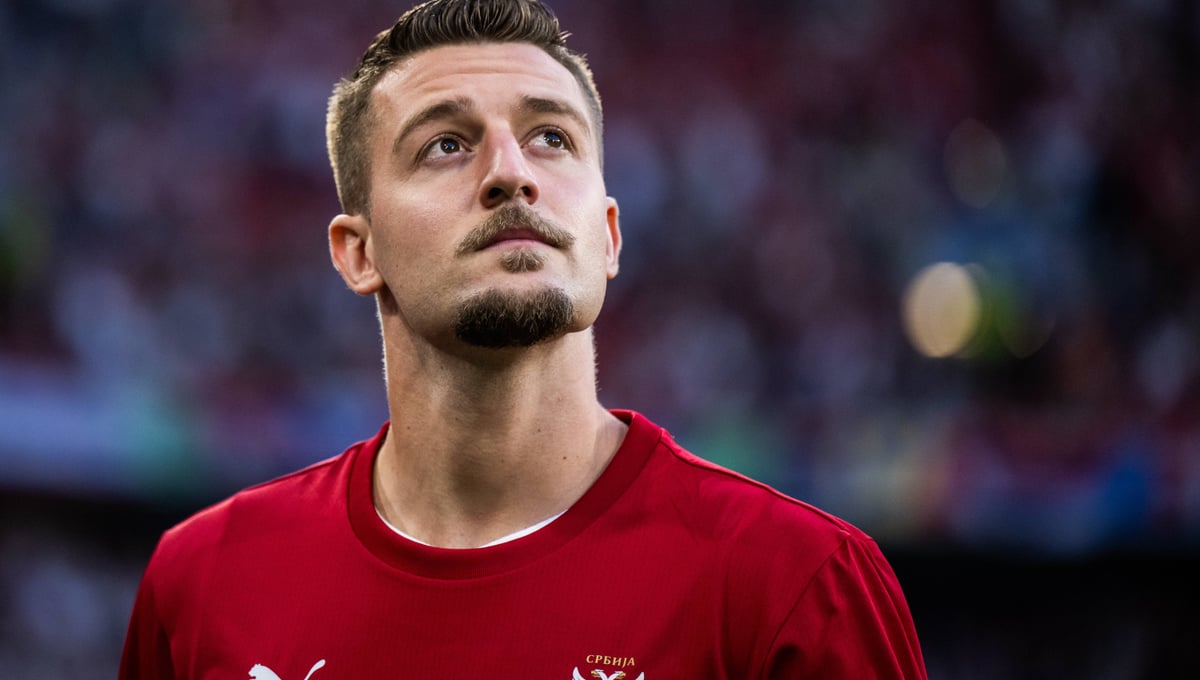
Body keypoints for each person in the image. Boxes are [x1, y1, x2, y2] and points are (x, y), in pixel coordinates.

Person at [120, 0, 927, 677]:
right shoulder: (204, 584)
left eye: (551, 138)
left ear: (608, 236)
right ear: (358, 253)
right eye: (445, 144)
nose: (512, 172)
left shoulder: (798, 587)